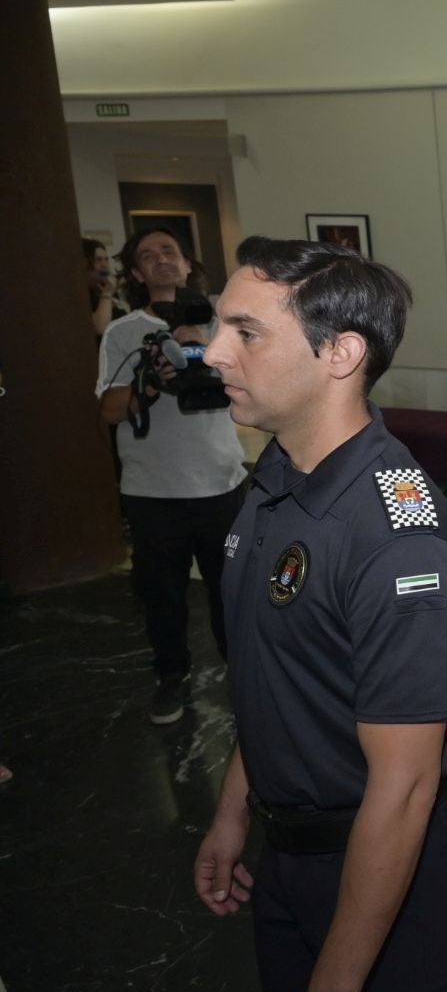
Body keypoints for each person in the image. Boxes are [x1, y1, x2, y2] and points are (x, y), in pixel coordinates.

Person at [192, 236, 447, 992]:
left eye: (246, 333)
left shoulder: (396, 532)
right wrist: (232, 811)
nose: (214, 351)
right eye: (220, 326)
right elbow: (278, 675)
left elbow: (405, 788)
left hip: (390, 875)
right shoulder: (277, 478)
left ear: (340, 353)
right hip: (289, 855)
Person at [95, 227, 247, 725]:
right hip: (153, 491)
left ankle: (246, 678)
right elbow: (111, 410)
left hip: (222, 483)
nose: (161, 260)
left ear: (187, 264)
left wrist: (206, 347)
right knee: (162, 596)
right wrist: (154, 380)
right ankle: (171, 678)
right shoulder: (123, 331)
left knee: (234, 592)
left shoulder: (225, 322)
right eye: (147, 255)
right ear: (136, 273)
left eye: (170, 252)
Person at [85, 237, 123, 336]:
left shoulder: (103, 288)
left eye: (106, 260)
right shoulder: (84, 294)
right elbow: (100, 328)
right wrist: (107, 293)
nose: (104, 265)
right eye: (98, 260)